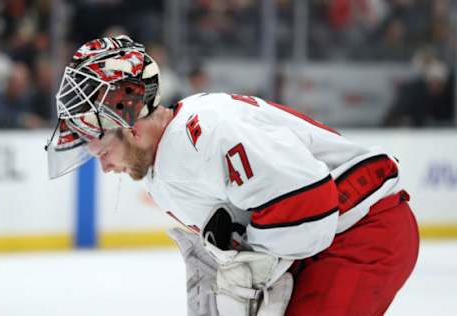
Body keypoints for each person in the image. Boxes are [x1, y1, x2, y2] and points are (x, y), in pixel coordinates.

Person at [46, 36, 419, 316]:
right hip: (323, 244)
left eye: (101, 151)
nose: (105, 167)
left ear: (128, 126)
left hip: (363, 232)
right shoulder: (162, 170)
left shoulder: (211, 130)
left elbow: (311, 206)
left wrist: (249, 262)